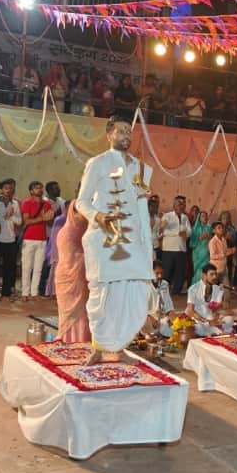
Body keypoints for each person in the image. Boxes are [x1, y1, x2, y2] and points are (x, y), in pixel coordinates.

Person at [74, 116, 154, 364]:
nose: (126, 135)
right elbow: (81, 201)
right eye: (120, 131)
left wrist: (145, 242)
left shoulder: (140, 168)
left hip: (132, 240)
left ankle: (118, 346)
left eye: (129, 131)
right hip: (106, 237)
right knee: (103, 294)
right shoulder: (98, 163)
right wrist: (97, 216)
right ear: (108, 135)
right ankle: (98, 348)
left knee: (134, 290)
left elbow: (141, 209)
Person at [54, 193, 92, 343]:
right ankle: (75, 343)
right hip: (71, 277)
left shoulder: (83, 230)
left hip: (79, 276)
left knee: (85, 313)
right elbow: (73, 259)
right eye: (82, 213)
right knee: (78, 315)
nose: (86, 216)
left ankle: (83, 342)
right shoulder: (68, 232)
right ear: (74, 212)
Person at [20, 181, 54, 302]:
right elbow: (26, 221)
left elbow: (50, 222)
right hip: (29, 238)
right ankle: (25, 292)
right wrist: (42, 218)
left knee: (38, 267)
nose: (39, 190)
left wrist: (50, 218)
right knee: (27, 267)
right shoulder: (26, 202)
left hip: (42, 239)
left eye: (41, 188)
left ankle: (34, 293)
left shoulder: (47, 204)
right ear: (31, 191)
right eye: (36, 188)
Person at [0, 179, 21, 302]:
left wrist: (12, 216)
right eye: (7, 188)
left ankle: (6, 294)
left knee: (9, 268)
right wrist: (5, 216)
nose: (9, 190)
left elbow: (19, 221)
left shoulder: (15, 204)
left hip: (11, 240)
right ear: (1, 189)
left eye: (12, 188)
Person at [160, 196, 192, 295]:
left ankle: (176, 292)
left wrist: (186, 234)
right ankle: (163, 292)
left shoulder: (185, 217)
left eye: (183, 204)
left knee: (180, 272)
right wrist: (163, 225)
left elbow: (190, 231)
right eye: (179, 204)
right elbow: (161, 230)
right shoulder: (167, 216)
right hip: (169, 248)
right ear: (174, 206)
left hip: (181, 248)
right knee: (167, 271)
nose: (181, 206)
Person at [187, 264, 226, 337]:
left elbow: (216, 310)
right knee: (199, 328)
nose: (214, 277)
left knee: (228, 320)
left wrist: (217, 319)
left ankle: (213, 333)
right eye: (211, 274)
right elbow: (190, 311)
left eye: (215, 274)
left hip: (211, 321)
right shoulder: (193, 289)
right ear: (204, 275)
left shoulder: (218, 289)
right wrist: (207, 321)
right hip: (197, 320)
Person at [146, 262, 176, 339]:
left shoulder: (165, 284)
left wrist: (174, 322)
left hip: (160, 318)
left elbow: (168, 306)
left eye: (161, 273)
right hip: (146, 318)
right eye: (157, 273)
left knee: (173, 329)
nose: (160, 276)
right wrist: (151, 318)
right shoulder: (143, 285)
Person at [189, 211, 212, 286]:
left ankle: (205, 287)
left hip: (206, 253)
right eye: (202, 216)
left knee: (205, 270)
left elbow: (212, 240)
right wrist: (199, 238)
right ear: (199, 218)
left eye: (206, 216)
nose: (204, 217)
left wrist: (209, 237)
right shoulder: (195, 229)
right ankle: (196, 288)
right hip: (197, 253)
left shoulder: (209, 228)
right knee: (198, 271)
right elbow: (191, 243)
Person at [208, 221, 234, 287]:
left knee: (226, 291)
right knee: (215, 290)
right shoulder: (212, 242)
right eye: (219, 228)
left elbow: (225, 251)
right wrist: (224, 254)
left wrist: (231, 251)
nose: (221, 229)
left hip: (224, 267)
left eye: (222, 228)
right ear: (214, 231)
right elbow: (212, 256)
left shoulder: (223, 239)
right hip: (216, 268)